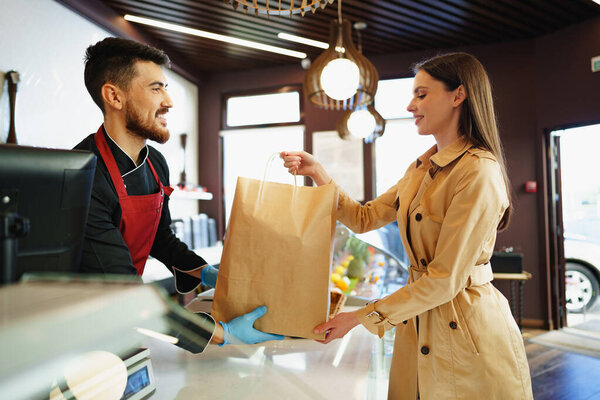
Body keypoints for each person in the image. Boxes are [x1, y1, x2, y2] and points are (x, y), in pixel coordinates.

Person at [281, 53, 533, 399]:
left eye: (421, 94)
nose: (410, 104)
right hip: (417, 323)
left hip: (469, 333)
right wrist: (318, 173)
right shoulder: (419, 169)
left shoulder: (479, 171)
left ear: (458, 96)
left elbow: (444, 279)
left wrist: (358, 318)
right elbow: (363, 217)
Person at [75, 37, 282, 347]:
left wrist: (205, 271)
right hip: (83, 332)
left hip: (127, 320)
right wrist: (221, 334)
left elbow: (161, 239)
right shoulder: (84, 174)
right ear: (114, 96)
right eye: (156, 88)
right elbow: (125, 288)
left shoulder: (156, 163)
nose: (168, 102)